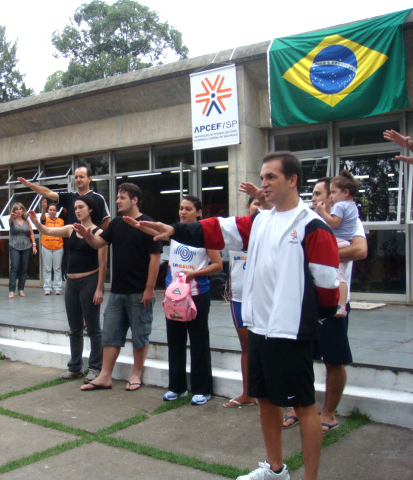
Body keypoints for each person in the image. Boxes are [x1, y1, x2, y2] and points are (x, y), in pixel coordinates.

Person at [136, 153, 339, 480]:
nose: (264, 184)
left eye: (271, 177)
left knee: (303, 406)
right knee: (265, 400)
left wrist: (304, 318)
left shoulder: (312, 225)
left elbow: (328, 287)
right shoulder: (259, 221)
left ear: (292, 180)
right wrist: (175, 230)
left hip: (290, 333)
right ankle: (275, 470)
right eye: (262, 177)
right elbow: (217, 229)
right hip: (259, 327)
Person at [283, 177, 367, 433]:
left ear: (332, 196)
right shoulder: (304, 220)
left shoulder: (348, 221)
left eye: (319, 193)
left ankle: (328, 413)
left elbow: (360, 251)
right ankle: (299, 407)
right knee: (300, 358)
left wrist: (319, 252)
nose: (314, 198)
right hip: (302, 303)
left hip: (333, 303)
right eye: (313, 193)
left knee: (334, 360)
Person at [76, 183, 161, 392]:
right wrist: (87, 235)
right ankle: (105, 376)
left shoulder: (147, 224)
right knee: (110, 335)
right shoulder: (116, 223)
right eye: (117, 197)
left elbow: (155, 258)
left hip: (139, 292)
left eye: (122, 197)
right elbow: (98, 243)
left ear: (134, 200)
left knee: (140, 335)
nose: (117, 201)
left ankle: (136, 374)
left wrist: (149, 289)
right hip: (117, 292)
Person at [29, 195, 107, 382]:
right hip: (71, 284)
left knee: (93, 328)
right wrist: (36, 223)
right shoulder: (71, 228)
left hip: (89, 281)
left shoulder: (99, 233)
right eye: (76, 208)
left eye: (81, 207)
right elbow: (47, 230)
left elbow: (103, 264)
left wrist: (99, 289)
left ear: (90, 209)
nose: (77, 210)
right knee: (74, 328)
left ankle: (95, 367)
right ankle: (75, 367)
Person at [160, 196, 222, 406]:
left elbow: (217, 265)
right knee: (175, 340)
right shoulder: (174, 234)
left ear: (198, 212)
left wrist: (194, 274)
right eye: (181, 208)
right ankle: (176, 386)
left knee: (198, 340)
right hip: (174, 296)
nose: (183, 212)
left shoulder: (206, 234)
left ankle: (202, 389)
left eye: (188, 209)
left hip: (197, 295)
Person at [223, 196, 261, 409]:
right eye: (256, 203)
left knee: (270, 348)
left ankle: (276, 396)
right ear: (248, 207)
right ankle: (248, 393)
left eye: (263, 203)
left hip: (264, 299)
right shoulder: (237, 232)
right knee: (246, 346)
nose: (259, 207)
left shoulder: (272, 232)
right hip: (239, 299)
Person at [314, 171, 359, 318]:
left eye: (333, 192)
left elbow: (334, 223)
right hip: (345, 241)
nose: (331, 196)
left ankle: (341, 305)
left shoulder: (340, 206)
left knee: (339, 277)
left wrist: (322, 211)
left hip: (338, 241)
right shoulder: (351, 206)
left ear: (345, 192)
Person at [18, 165, 111, 228]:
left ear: (89, 179)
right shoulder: (70, 197)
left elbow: (106, 220)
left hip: (92, 245)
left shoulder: (98, 198)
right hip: (73, 244)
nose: (78, 179)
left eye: (81, 177)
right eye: (76, 177)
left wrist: (98, 237)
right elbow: (48, 193)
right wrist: (30, 185)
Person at [7, 202, 36, 298]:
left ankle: (21, 289)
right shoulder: (12, 220)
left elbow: (31, 233)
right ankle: (11, 290)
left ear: (23, 210)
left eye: (20, 209)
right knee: (14, 267)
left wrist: (34, 245)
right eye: (16, 209)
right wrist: (12, 216)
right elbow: (10, 221)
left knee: (24, 268)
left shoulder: (26, 221)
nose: (19, 211)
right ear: (14, 211)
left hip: (26, 245)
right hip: (14, 245)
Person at [39, 199, 64, 295]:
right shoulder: (45, 219)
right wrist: (43, 208)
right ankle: (47, 288)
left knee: (57, 268)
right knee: (47, 269)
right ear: (48, 211)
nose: (52, 211)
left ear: (56, 211)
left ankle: (58, 288)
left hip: (58, 247)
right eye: (50, 210)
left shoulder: (61, 221)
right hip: (46, 247)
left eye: (54, 210)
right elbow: (42, 219)